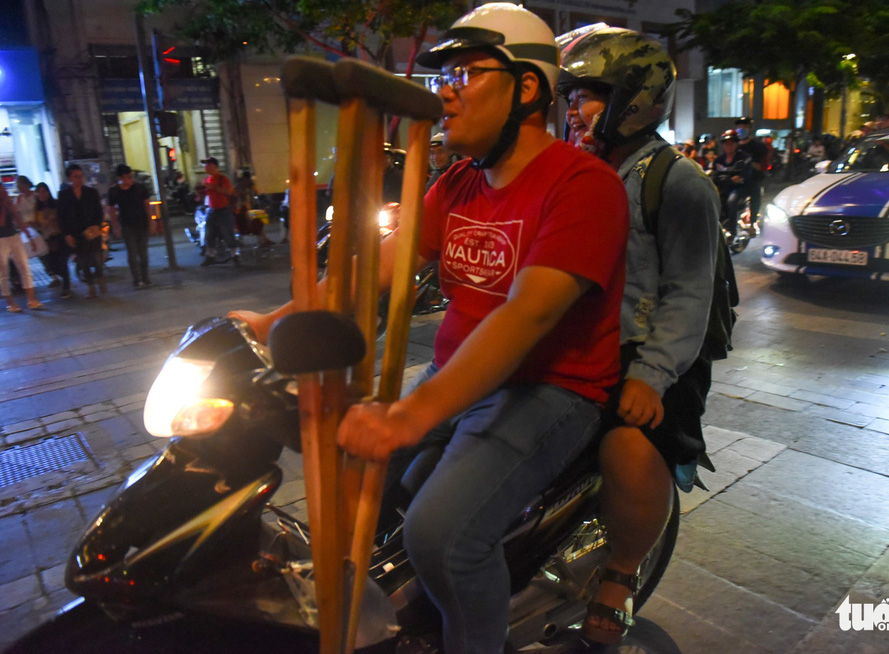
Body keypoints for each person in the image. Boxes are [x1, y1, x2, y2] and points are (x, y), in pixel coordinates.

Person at [231, 4, 628, 652]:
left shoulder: (586, 185)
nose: (446, 91)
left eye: (467, 73)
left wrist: (411, 415)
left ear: (527, 87)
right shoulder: (460, 182)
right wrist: (275, 320)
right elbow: (379, 268)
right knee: (365, 485)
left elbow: (527, 315)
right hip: (460, 370)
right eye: (444, 74)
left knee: (442, 533)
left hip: (552, 388)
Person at [559, 26, 719, 645]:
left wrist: (651, 374)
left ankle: (621, 573)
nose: (576, 108)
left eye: (592, 93)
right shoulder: (577, 171)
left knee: (628, 445)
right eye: (572, 95)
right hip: (583, 345)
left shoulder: (678, 183)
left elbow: (690, 293)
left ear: (637, 96)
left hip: (650, 354)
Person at [58, 164, 106, 299]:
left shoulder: (91, 192)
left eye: (81, 176)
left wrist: (97, 226)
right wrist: (67, 234)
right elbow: (61, 217)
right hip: (76, 233)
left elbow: (98, 211)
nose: (79, 179)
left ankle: (100, 275)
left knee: (97, 258)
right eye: (76, 176)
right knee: (83, 260)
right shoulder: (64, 195)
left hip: (92, 230)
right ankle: (91, 286)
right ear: (70, 178)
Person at [107, 164, 153, 288]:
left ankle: (145, 277)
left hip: (142, 224)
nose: (130, 179)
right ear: (120, 178)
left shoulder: (139, 188)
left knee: (143, 253)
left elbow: (147, 206)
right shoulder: (114, 191)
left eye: (131, 176)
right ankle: (136, 279)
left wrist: (151, 221)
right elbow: (111, 210)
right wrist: (115, 227)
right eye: (127, 177)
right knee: (132, 253)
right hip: (127, 225)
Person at [0, 185, 44, 312]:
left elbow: (18, 220)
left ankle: (31, 300)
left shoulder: (9, 203)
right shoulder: (4, 204)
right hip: (1, 240)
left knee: (24, 267)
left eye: (4, 190)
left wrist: (29, 237)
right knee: (4, 272)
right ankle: (10, 303)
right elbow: (1, 222)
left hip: (14, 237)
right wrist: (3, 205)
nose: (4, 192)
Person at [709, 129, 753, 235]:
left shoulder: (744, 158)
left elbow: (746, 173)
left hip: (738, 188)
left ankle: (732, 232)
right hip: (722, 188)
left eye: (731, 143)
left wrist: (739, 178)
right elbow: (713, 172)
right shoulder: (718, 160)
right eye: (726, 144)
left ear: (736, 144)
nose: (729, 146)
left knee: (731, 202)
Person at [199, 156, 239, 266]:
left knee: (228, 234)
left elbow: (229, 192)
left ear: (214, 166)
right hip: (212, 211)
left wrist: (213, 187)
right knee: (209, 234)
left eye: (208, 164)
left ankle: (234, 255)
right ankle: (210, 256)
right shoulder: (206, 179)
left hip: (224, 210)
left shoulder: (222, 179)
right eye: (204, 164)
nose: (205, 167)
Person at [34, 182, 71, 298]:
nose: (42, 194)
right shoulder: (37, 208)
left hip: (58, 236)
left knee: (62, 261)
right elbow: (36, 223)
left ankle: (66, 285)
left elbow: (63, 218)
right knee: (51, 263)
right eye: (39, 192)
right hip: (46, 239)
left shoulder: (56, 204)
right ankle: (59, 278)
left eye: (44, 191)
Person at [734, 116, 767, 234]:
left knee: (755, 195)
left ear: (750, 129)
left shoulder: (758, 146)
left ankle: (753, 223)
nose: (741, 129)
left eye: (744, 127)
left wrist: (749, 163)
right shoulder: (733, 145)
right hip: (734, 179)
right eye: (739, 127)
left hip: (751, 179)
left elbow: (761, 166)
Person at [233, 169, 274, 248]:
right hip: (244, 212)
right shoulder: (241, 187)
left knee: (260, 217)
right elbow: (242, 201)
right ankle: (262, 240)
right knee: (259, 218)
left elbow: (257, 194)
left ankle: (263, 239)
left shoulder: (247, 186)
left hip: (249, 209)